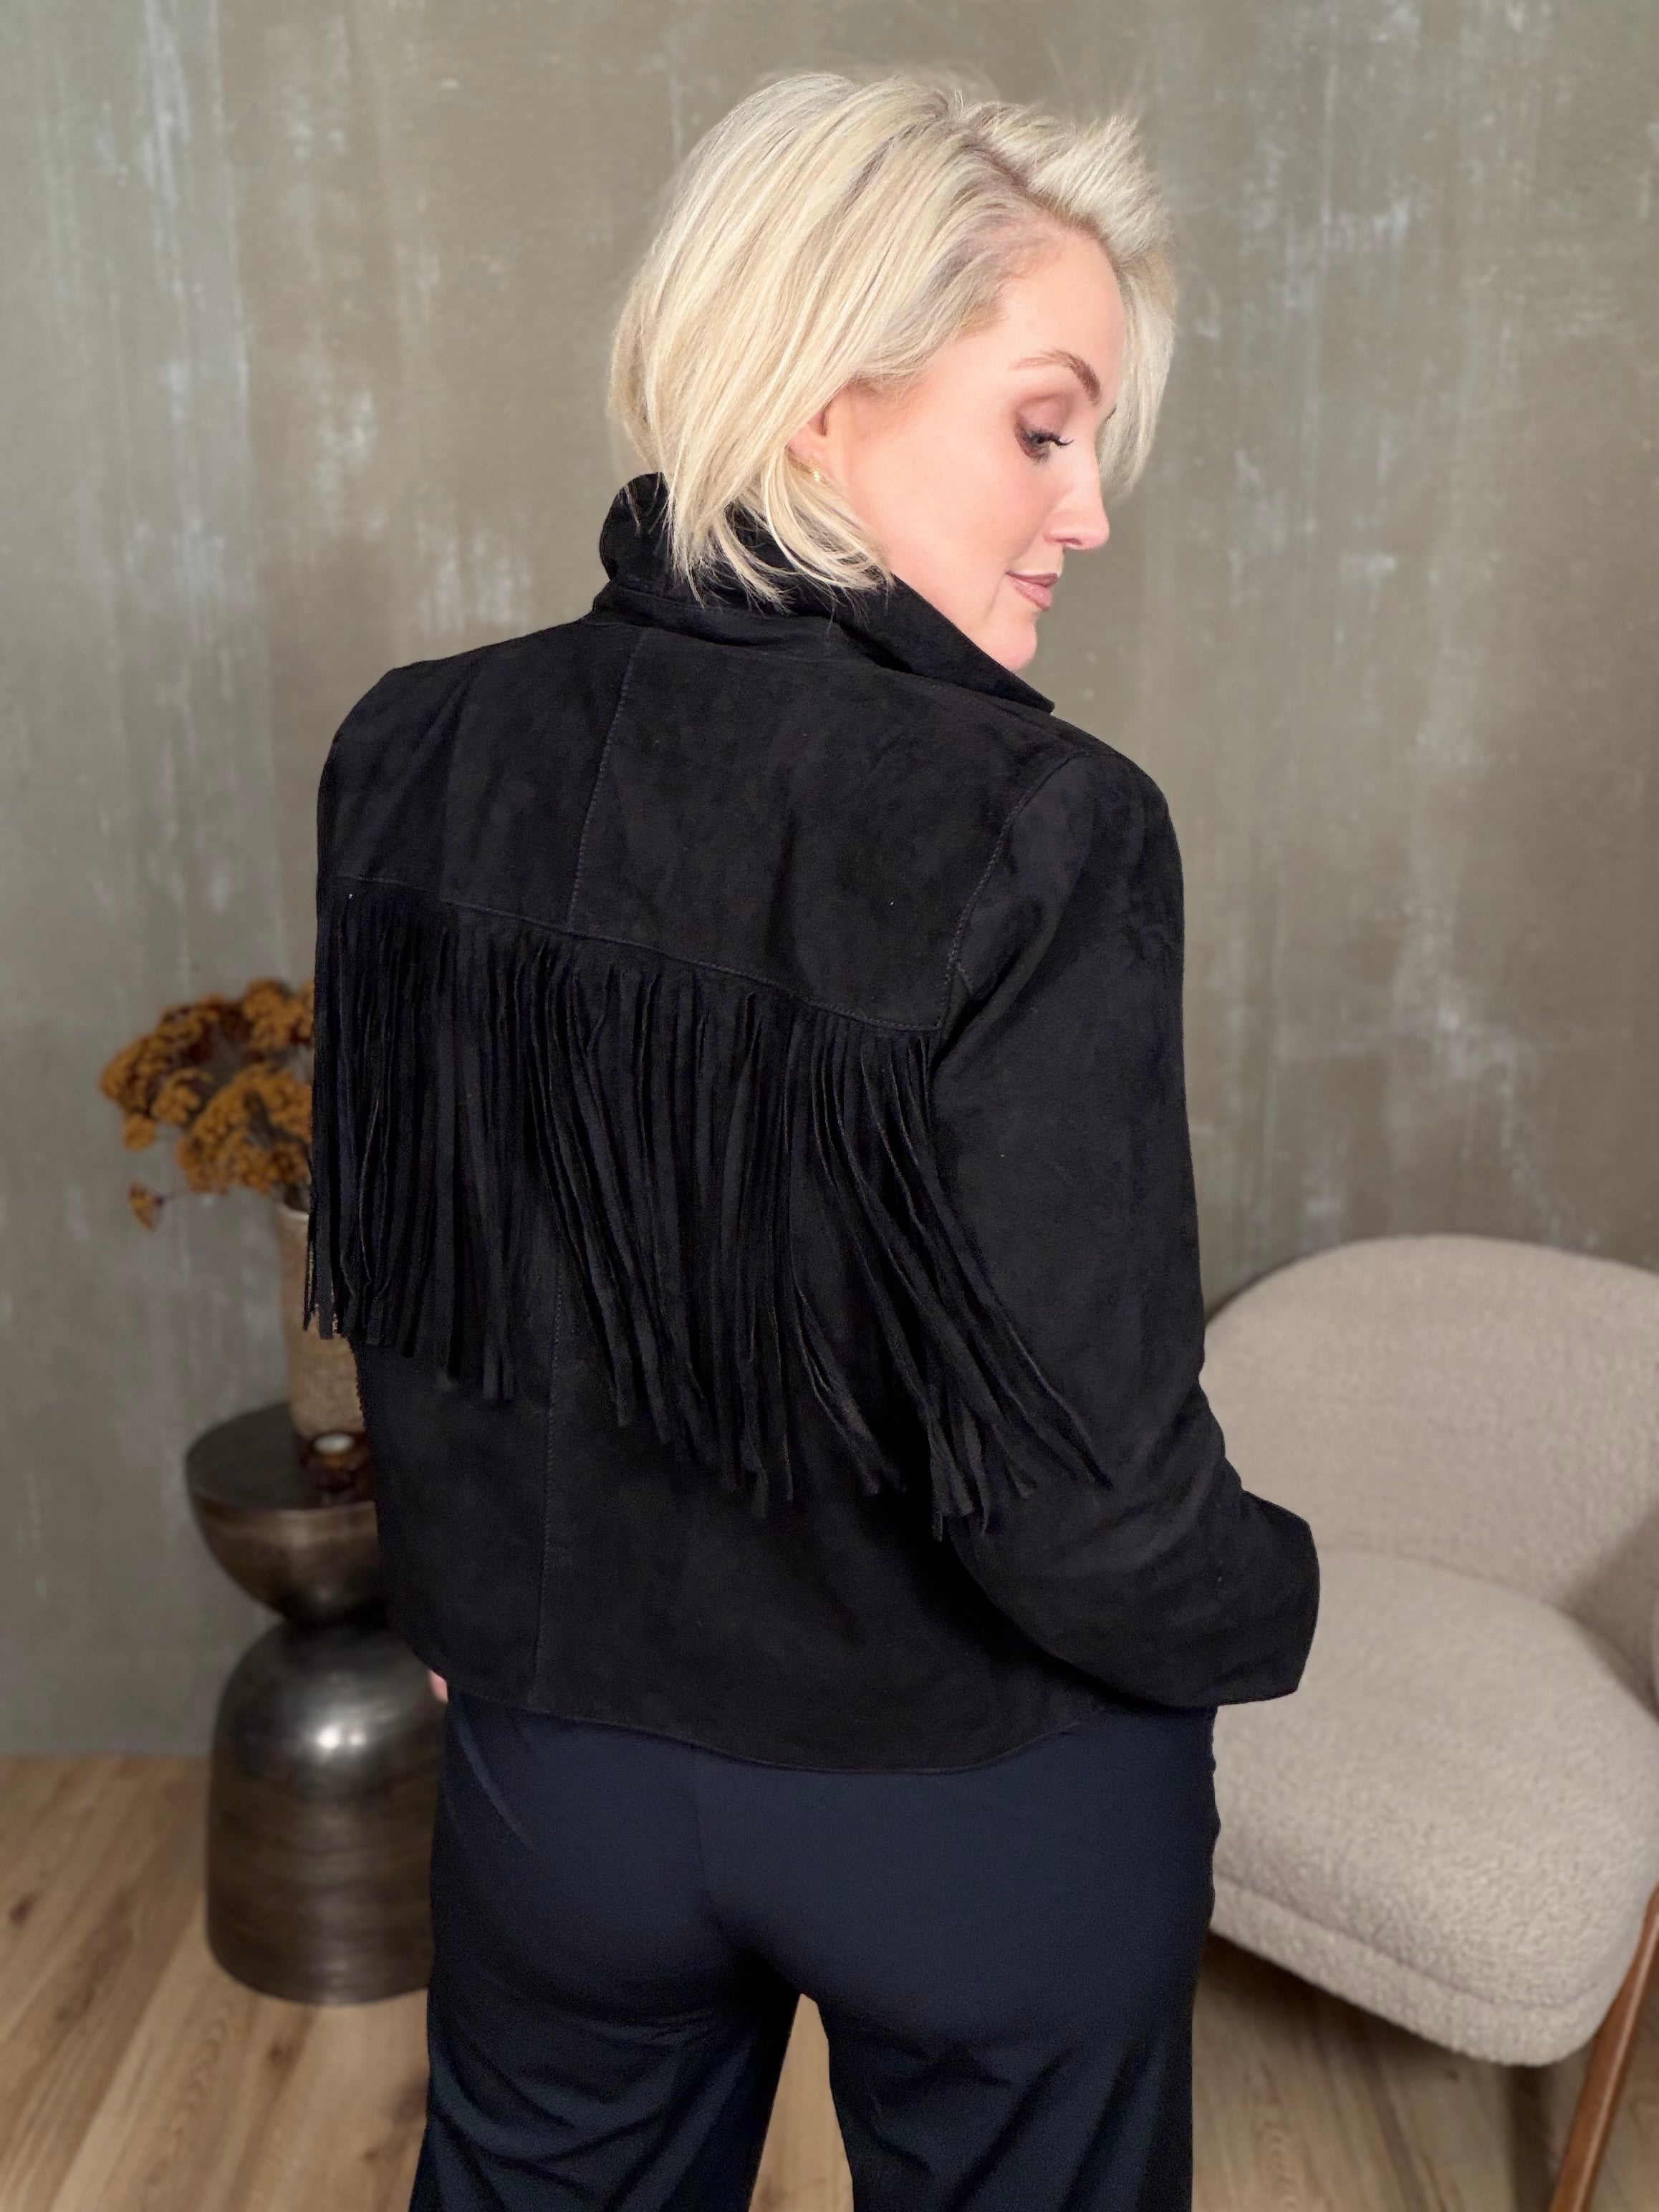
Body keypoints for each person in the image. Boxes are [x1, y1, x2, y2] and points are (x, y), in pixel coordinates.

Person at [304, 67, 1320, 2212]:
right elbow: (1086, 1497)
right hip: (973, 1805)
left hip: (559, 1791)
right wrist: (1271, 1596)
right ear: (820, 401)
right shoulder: (1047, 825)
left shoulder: (413, 748)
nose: (1087, 513)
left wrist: (470, 1602)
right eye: (1042, 429)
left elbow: (404, 1270)